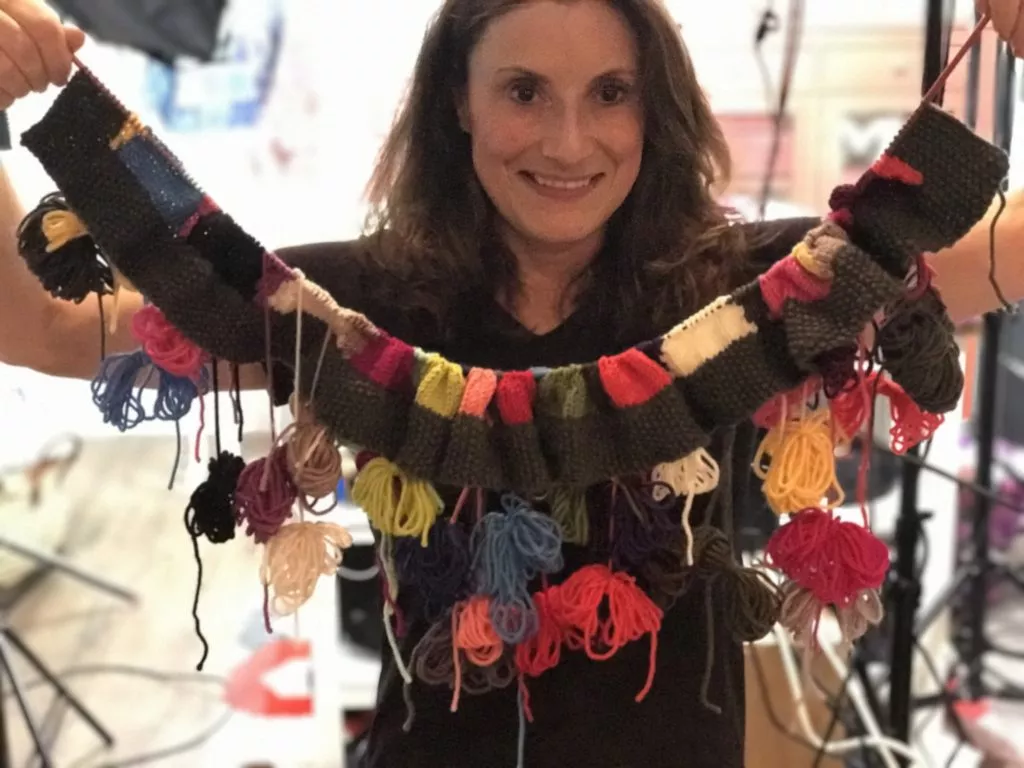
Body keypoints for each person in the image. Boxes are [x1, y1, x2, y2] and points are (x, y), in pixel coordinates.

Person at [1, 0, 1024, 766]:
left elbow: (995, 255)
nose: (568, 143)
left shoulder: (748, 284)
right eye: (523, 91)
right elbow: (41, 325)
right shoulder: (361, 302)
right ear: (459, 101)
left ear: (651, 108)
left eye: (609, 94)